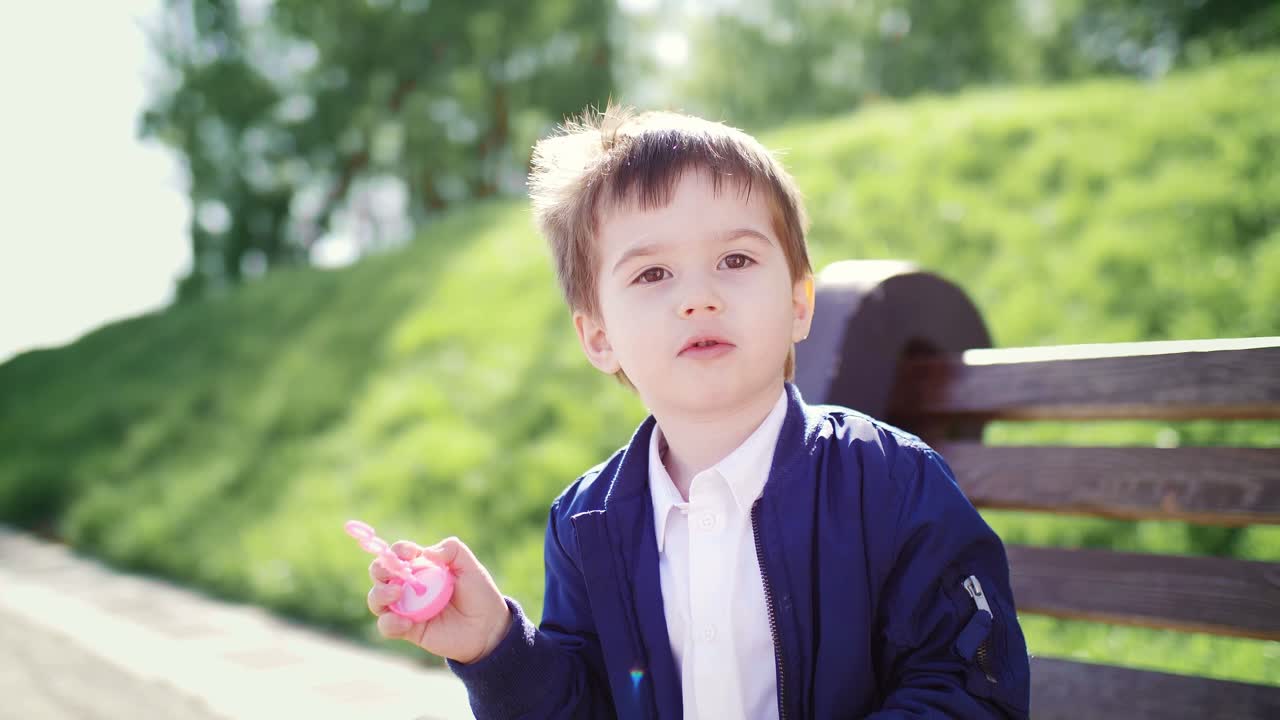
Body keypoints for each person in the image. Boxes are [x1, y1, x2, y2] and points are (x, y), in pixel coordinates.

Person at [365, 105, 1032, 719]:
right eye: (653, 274)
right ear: (598, 335)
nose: (699, 297)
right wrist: (496, 648)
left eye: (735, 259)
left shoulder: (893, 484)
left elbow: (968, 683)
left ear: (800, 303)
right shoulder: (587, 525)